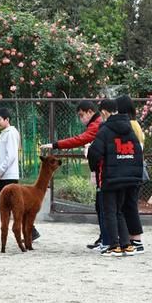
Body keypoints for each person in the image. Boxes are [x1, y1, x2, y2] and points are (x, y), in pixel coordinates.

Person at [40, 100, 107, 251]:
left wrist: (55, 145)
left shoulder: (97, 124)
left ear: (90, 111)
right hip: (101, 170)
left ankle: (107, 239)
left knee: (103, 205)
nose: (81, 118)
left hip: (105, 171)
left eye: (82, 115)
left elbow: (80, 139)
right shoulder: (96, 123)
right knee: (101, 205)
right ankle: (105, 237)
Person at [87, 99, 143, 256]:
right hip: (127, 178)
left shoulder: (105, 130)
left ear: (104, 112)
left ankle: (114, 246)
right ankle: (126, 244)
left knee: (109, 211)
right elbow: (138, 153)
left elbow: (95, 154)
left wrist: (92, 164)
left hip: (110, 178)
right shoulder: (130, 129)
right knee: (119, 211)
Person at [0, 108, 40, 241]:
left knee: (12, 206)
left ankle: (30, 230)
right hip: (3, 176)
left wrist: (0, 171)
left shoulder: (11, 133)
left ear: (7, 120)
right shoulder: (4, 133)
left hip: (9, 177)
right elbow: (1, 157)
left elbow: (11, 155)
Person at [116, 95, 145, 254]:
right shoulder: (134, 124)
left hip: (132, 170)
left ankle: (137, 240)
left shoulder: (132, 125)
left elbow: (135, 148)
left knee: (130, 205)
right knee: (128, 204)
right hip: (133, 169)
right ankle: (131, 238)